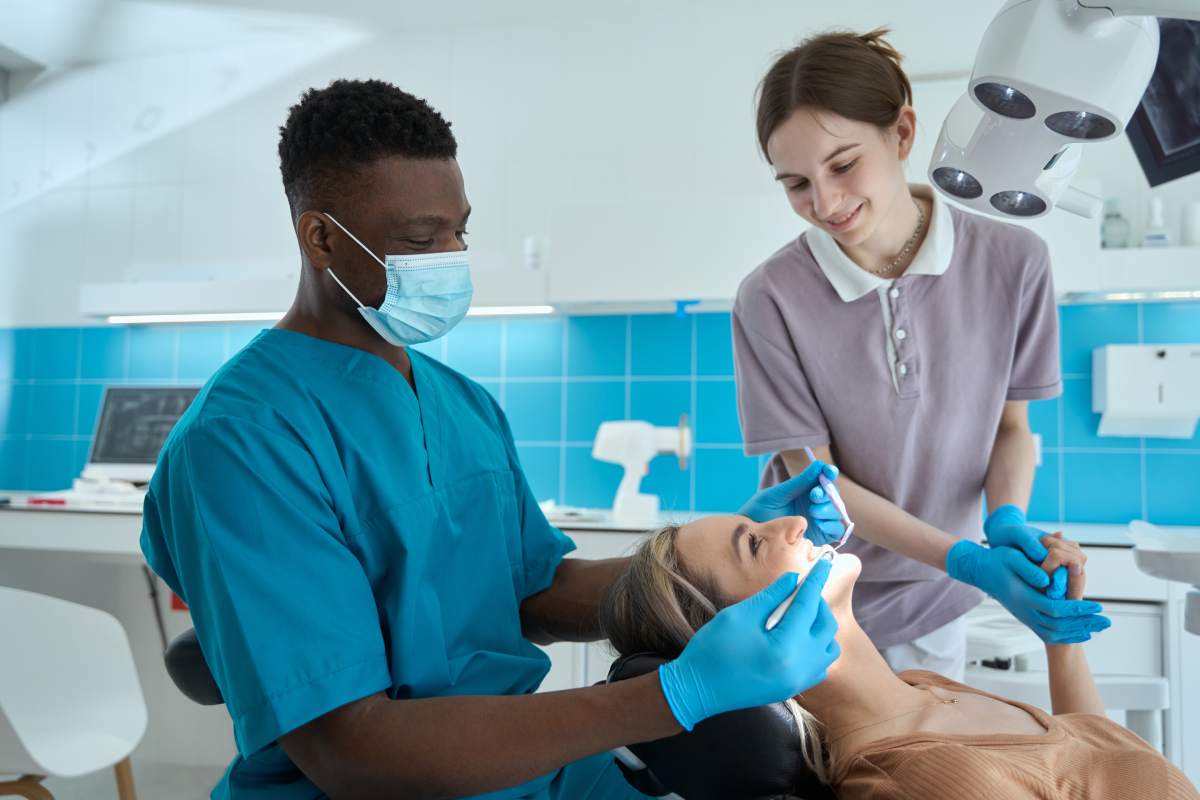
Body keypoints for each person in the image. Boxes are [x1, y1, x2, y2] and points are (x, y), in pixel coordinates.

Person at [140, 78, 846, 800]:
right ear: (320, 237)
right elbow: (349, 750)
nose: (449, 256)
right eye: (420, 239)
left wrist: (720, 553)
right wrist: (672, 698)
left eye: (459, 232)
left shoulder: (462, 406)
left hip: (529, 766)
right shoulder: (242, 442)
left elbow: (532, 592)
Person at [732, 28, 1105, 680]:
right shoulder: (771, 297)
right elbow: (822, 481)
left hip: (933, 606)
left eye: (843, 165)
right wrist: (965, 556)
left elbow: (1011, 431)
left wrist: (1006, 517)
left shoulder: (1014, 262)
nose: (824, 203)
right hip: (805, 600)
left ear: (902, 134)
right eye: (795, 182)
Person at [600, 515, 1200, 799]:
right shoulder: (915, 781)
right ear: (734, 634)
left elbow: (1084, 754)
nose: (794, 520)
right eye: (754, 542)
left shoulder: (923, 687)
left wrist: (1060, 644)